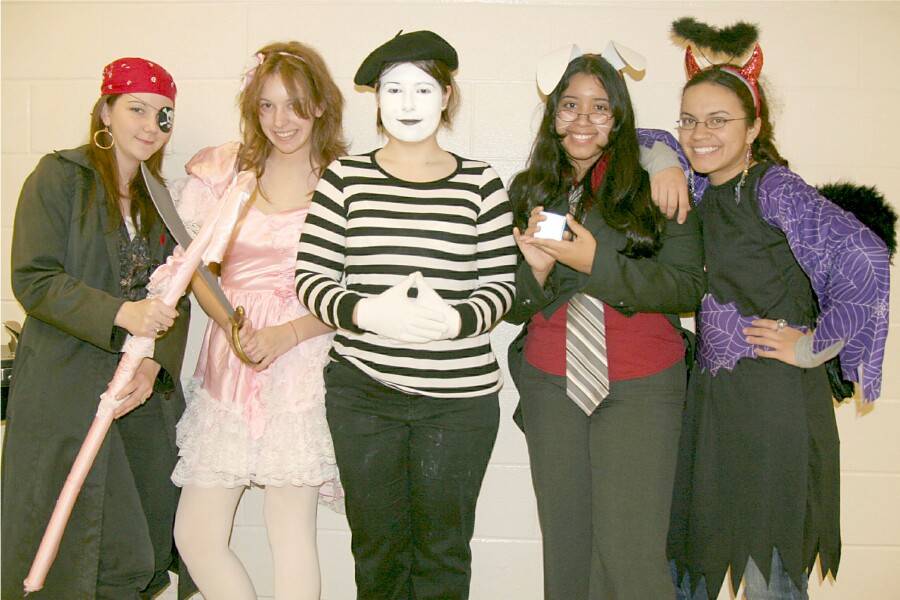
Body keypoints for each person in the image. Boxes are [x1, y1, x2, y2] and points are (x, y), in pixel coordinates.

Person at [666, 19, 892, 599]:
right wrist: (662, 160)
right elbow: (640, 137)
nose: (698, 134)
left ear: (754, 126)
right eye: (689, 119)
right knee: (695, 564)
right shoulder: (700, 186)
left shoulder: (772, 187)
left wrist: (814, 346)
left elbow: (865, 254)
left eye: (718, 120)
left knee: (770, 575)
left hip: (775, 408)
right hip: (713, 404)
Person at [294, 30, 517, 599]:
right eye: (394, 90)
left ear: (447, 96)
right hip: (364, 395)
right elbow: (311, 279)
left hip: (459, 402)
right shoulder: (344, 178)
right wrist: (367, 312)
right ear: (377, 99)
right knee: (378, 551)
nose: (409, 103)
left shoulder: (481, 182)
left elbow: (500, 285)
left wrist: (456, 321)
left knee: (444, 554)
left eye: (423, 89)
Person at [504, 46, 706, 599]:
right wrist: (536, 273)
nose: (583, 120)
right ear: (554, 114)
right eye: (571, 105)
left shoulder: (658, 183)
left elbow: (687, 287)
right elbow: (512, 303)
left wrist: (597, 264)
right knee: (567, 554)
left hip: (642, 382)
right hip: (552, 382)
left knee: (630, 559)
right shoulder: (529, 190)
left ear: (618, 117)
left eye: (600, 107)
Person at [2, 58, 192, 599]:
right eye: (137, 109)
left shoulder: (159, 198)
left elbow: (177, 294)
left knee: (140, 548)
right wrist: (121, 313)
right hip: (65, 389)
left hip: (135, 399)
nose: (151, 126)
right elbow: (34, 278)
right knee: (76, 550)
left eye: (164, 115)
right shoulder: (60, 176)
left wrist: (155, 365)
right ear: (105, 111)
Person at [169, 41, 345, 600]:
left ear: (320, 105)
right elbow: (192, 264)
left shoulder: (344, 182)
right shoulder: (228, 171)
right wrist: (231, 325)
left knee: (289, 532)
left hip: (303, 359)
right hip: (232, 353)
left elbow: (355, 290)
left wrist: (286, 334)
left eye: (293, 104)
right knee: (195, 535)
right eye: (266, 105)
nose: (280, 120)